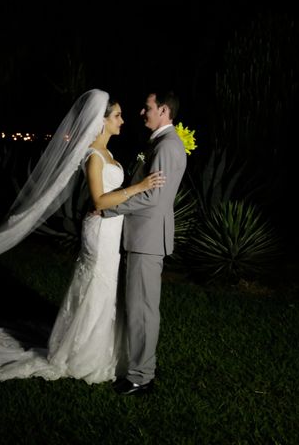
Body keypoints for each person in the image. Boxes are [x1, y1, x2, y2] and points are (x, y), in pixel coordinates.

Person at [0, 95, 165, 383]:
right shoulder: (93, 156)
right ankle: (84, 353)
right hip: (99, 232)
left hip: (111, 231)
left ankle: (107, 348)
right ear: (101, 121)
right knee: (96, 287)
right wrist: (138, 188)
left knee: (108, 289)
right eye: (117, 116)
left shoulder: (109, 154)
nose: (122, 121)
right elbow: (99, 201)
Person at [104, 90, 187, 396]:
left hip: (147, 239)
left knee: (143, 310)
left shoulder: (167, 146)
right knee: (139, 308)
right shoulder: (160, 143)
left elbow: (152, 197)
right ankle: (139, 365)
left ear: (164, 110)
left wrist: (109, 206)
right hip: (144, 237)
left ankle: (141, 377)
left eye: (147, 107)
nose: (142, 112)